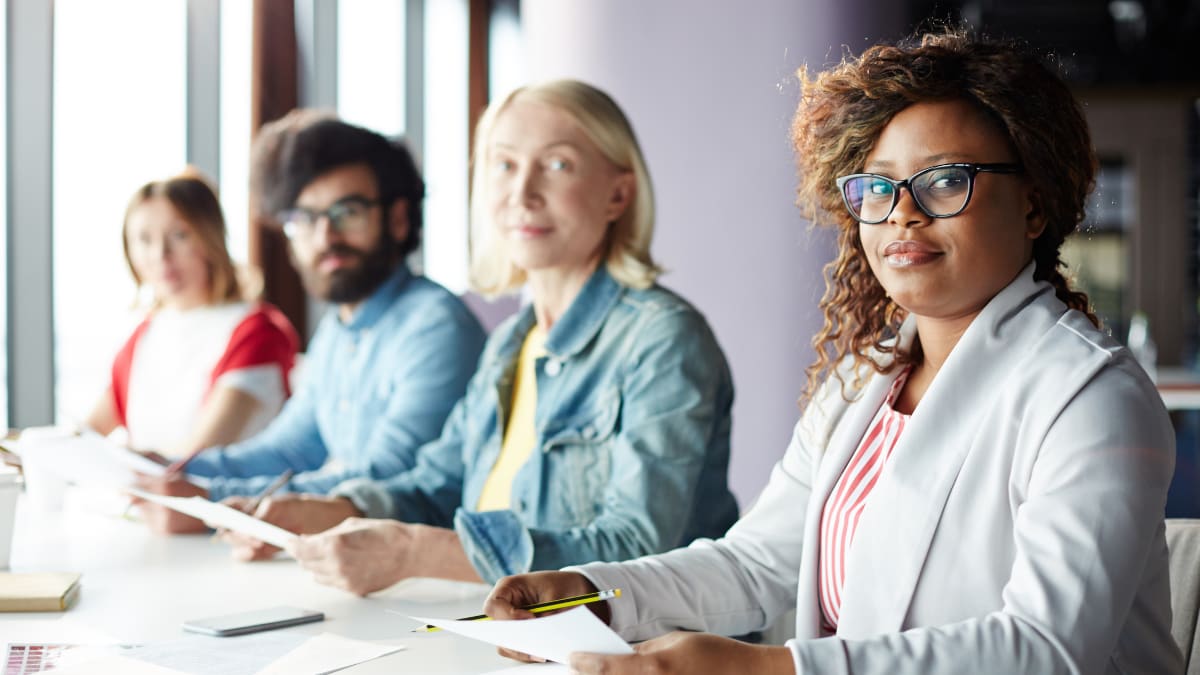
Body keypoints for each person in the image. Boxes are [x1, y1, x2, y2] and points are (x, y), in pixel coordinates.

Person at [483, 29, 1182, 674]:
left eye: (945, 180)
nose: (902, 212)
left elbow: (1049, 648)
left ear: (1034, 204)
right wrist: (593, 590)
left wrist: (770, 667)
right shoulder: (866, 377)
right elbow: (758, 562)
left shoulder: (1091, 395)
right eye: (878, 187)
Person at [224, 79, 741, 591]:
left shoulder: (664, 340)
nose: (522, 193)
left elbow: (635, 549)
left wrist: (415, 552)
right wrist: (332, 510)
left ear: (618, 195)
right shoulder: (512, 342)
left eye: (557, 164)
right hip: (506, 630)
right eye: (505, 165)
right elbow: (436, 486)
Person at [135, 112, 487, 530]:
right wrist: (178, 468)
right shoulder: (338, 331)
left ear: (397, 217)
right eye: (304, 219)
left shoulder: (435, 326)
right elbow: (289, 448)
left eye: (348, 212)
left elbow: (385, 475)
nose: (325, 237)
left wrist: (210, 502)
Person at [86, 170, 298, 459]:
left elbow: (195, 458)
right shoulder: (144, 334)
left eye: (179, 235)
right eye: (144, 239)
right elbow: (89, 432)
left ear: (209, 238)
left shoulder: (257, 331)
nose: (161, 254)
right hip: (147, 500)